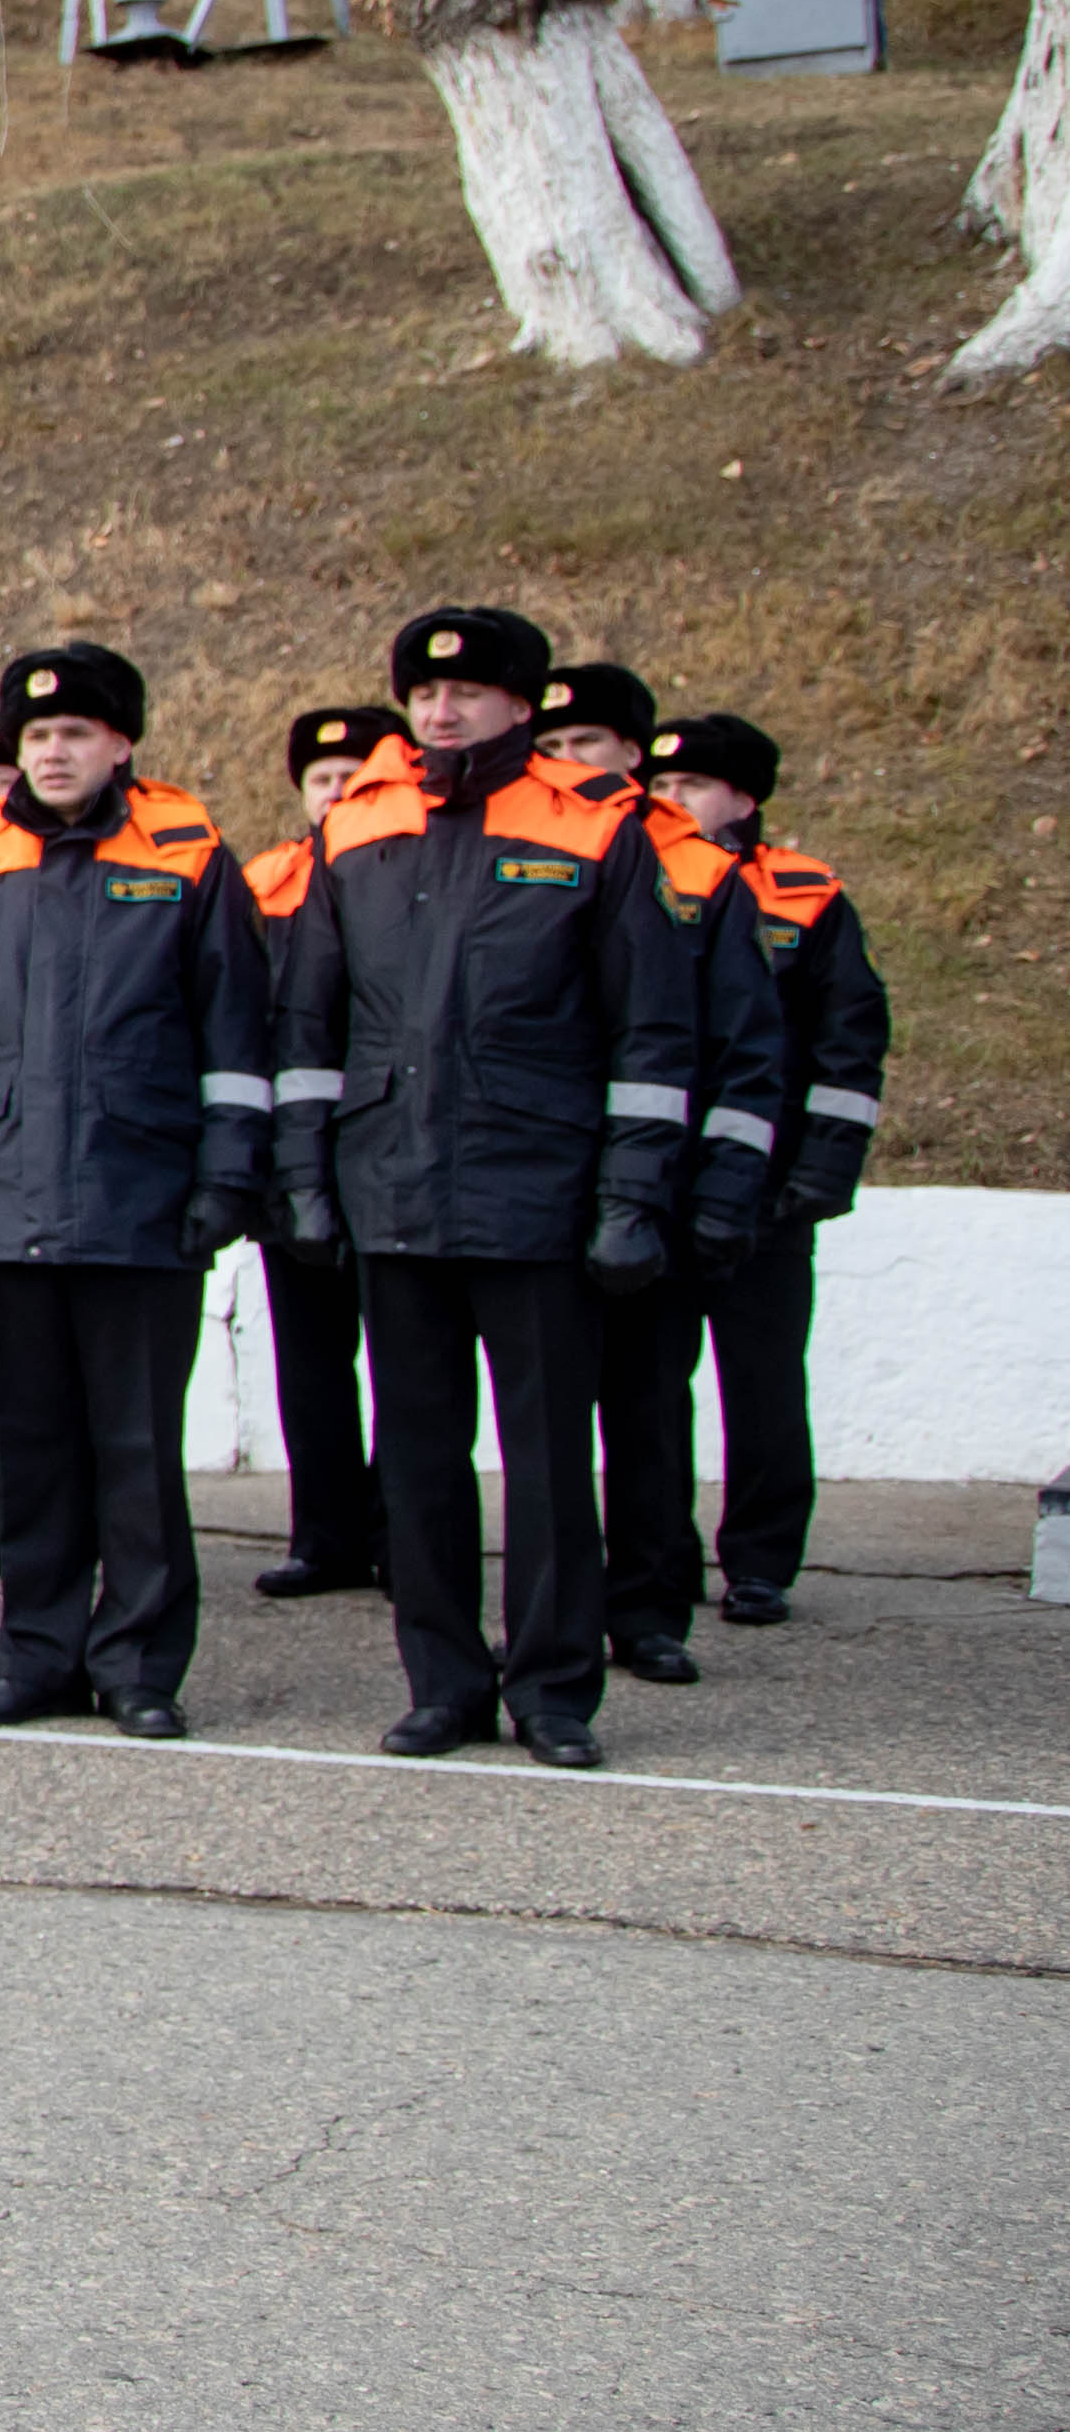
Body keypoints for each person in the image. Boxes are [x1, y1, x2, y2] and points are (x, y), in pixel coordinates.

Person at [269, 606, 726, 1768]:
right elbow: (310, 1019)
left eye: (467, 692)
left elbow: (651, 1033)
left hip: (537, 1188)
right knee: (416, 1458)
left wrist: (630, 1195)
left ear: (522, 708)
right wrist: (306, 1175)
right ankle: (442, 1683)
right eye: (424, 693)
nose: (439, 709)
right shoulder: (360, 825)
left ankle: (555, 1688)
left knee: (546, 1461)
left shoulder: (592, 830)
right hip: (393, 1186)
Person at [0, 645, 259, 1741]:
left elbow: (234, 1035)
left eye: (75, 734)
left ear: (121, 745)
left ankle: (139, 1662)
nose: (52, 751)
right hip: (2, 1194)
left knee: (137, 1451)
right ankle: (36, 1657)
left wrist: (223, 1175)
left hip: (140, 1195)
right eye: (34, 737)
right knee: (32, 1448)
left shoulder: (189, 854)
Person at [535, 661, 786, 1687]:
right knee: (544, 1422)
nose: (562, 765)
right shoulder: (515, 847)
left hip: (663, 1192)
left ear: (633, 755)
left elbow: (746, 1048)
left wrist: (725, 1192)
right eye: (547, 747)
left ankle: (646, 1607)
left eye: (583, 745)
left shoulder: (696, 869)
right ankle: (556, 1614)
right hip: (540, 1187)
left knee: (644, 1410)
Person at [641, 713, 886, 1632]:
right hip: (659, 1184)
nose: (667, 803)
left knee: (762, 1380)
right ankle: (657, 1554)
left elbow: (846, 1047)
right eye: (658, 789)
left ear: (742, 800)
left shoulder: (807, 896)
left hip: (767, 1193)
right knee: (649, 1385)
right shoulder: (639, 883)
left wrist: (820, 1174)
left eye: (688, 788)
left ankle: (759, 1561)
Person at [240, 707, 403, 1601]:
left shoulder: (409, 871)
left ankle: (398, 1531)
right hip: (289, 1158)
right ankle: (324, 1534)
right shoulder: (265, 879)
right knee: (311, 1362)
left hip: (385, 1156)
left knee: (405, 1364)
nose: (335, 791)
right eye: (320, 779)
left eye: (354, 774)